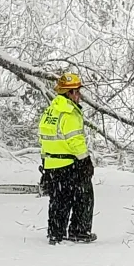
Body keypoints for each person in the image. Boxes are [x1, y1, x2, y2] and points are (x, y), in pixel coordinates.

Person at [38, 72, 96, 245]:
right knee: (84, 195)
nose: (79, 95)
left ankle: (55, 232)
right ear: (69, 93)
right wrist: (85, 161)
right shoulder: (69, 113)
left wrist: (45, 162)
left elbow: (44, 138)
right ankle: (79, 231)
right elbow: (75, 140)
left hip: (52, 163)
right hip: (69, 163)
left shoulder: (50, 111)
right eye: (77, 91)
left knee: (59, 199)